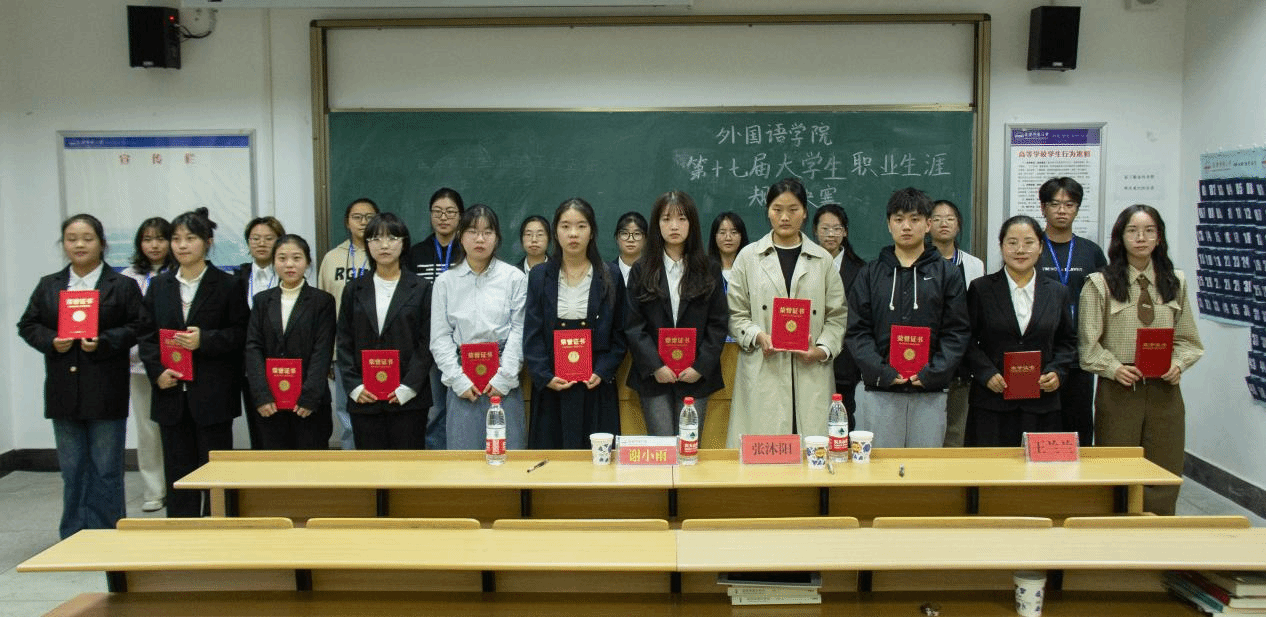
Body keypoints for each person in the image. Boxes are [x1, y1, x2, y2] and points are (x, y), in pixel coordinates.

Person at [18, 214, 147, 538]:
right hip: (64, 390)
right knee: (72, 469)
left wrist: (105, 341)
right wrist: (52, 340)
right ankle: (74, 534)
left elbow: (139, 326)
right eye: (72, 238)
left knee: (106, 469)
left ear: (101, 244)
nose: (79, 244)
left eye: (87, 238)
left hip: (105, 388)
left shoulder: (122, 285)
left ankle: (107, 534)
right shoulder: (50, 285)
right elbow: (28, 324)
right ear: (63, 244)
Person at [1079, 204, 1203, 515]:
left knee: (1165, 466)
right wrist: (1114, 368)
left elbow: (1188, 339)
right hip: (1120, 389)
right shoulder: (1099, 283)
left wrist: (1178, 363)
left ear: (1159, 237)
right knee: (1116, 467)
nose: (1141, 238)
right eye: (1133, 231)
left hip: (1165, 389)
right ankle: (1116, 529)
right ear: (1120, 237)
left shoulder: (1175, 281)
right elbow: (1088, 347)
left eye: (1149, 231)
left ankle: (1159, 529)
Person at [139, 208, 249, 517]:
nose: (182, 245)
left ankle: (219, 528)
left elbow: (242, 334)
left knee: (215, 472)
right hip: (171, 393)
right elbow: (146, 335)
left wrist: (206, 340)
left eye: (190, 238)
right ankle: (181, 530)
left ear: (207, 242)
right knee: (178, 471)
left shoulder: (228, 285)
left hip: (213, 394)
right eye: (176, 239)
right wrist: (157, 372)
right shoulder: (159, 285)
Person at [726, 178, 848, 446]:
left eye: (793, 210)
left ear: (804, 212)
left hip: (811, 372)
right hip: (764, 369)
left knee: (812, 453)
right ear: (768, 211)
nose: (785, 217)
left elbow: (837, 316)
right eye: (777, 209)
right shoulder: (748, 257)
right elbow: (735, 313)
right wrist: (758, 336)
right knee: (765, 452)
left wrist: (821, 350)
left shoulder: (822, 260)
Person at [846, 188, 970, 448]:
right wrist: (882, 371)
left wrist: (932, 373)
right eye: (899, 219)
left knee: (924, 468)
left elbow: (957, 332)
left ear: (928, 224)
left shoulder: (947, 274)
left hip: (929, 392)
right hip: (879, 390)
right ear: (888, 224)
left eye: (915, 219)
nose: (906, 226)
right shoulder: (869, 274)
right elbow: (857, 331)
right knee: (879, 467)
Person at [963, 216, 1076, 446]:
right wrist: (985, 373)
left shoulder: (1057, 292)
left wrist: (1057, 372)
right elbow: (966, 338)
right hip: (992, 401)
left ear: (1041, 247)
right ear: (1001, 246)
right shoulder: (981, 289)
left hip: (1042, 403)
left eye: (1029, 242)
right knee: (991, 467)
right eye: (1012, 242)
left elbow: (1067, 342)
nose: (1020, 250)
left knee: (1037, 468)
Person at [524, 198, 627, 448]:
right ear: (555, 232)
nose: (573, 234)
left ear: (592, 232)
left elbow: (620, 333)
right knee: (551, 459)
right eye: (565, 226)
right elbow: (532, 334)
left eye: (581, 226)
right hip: (552, 385)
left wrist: (602, 371)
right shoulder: (539, 276)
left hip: (595, 384)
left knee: (598, 460)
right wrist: (544, 376)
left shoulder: (610, 275)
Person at [624, 191, 728, 437]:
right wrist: (656, 366)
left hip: (695, 375)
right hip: (654, 376)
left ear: (692, 224)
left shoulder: (709, 268)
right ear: (656, 224)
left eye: (681, 219)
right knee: (662, 448)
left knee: (688, 446)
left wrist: (700, 367)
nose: (674, 226)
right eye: (666, 219)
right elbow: (633, 325)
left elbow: (718, 323)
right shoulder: (641, 269)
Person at [430, 205, 528, 450]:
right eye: (473, 231)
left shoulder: (514, 278)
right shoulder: (445, 282)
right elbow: (439, 337)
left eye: (488, 232)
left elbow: (519, 331)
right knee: (463, 460)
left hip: (503, 379)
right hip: (463, 380)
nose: (480, 239)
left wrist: (505, 377)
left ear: (497, 237)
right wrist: (458, 380)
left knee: (509, 454)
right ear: (460, 235)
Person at [336, 213, 434, 450]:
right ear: (367, 245)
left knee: (407, 465)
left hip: (408, 399)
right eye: (376, 239)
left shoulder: (421, 288)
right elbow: (344, 341)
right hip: (365, 398)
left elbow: (427, 342)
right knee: (371, 466)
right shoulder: (354, 289)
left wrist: (408, 387)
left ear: (404, 243)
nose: (384, 245)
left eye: (392, 238)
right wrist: (355, 386)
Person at [244, 234, 336, 450]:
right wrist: (262, 395)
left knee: (310, 463)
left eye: (296, 258)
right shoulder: (262, 301)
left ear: (307, 262)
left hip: (309, 404)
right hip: (271, 402)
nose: (289, 264)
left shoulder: (322, 301)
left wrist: (309, 397)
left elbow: (322, 351)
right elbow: (253, 348)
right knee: (275, 463)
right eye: (282, 258)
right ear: (274, 262)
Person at [1035, 177, 1107, 447]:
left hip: (1080, 353)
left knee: (1078, 425)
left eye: (1069, 204)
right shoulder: (1031, 249)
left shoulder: (1091, 252)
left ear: (1077, 208)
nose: (1062, 210)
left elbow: (1105, 301)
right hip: (1040, 351)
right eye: (1055, 204)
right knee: (1040, 427)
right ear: (1043, 208)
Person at [120, 217, 175, 512]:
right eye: (147, 239)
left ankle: (180, 486)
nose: (154, 245)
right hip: (140, 366)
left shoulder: (180, 272)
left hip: (177, 365)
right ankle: (154, 489)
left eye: (160, 238)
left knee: (176, 429)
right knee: (147, 429)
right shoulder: (128, 277)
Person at [318, 197, 379, 450]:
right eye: (357, 217)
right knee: (346, 411)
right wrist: (330, 355)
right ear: (346, 222)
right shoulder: (332, 258)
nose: (363, 222)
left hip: (380, 350)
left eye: (369, 217)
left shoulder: (385, 253)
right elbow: (323, 311)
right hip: (344, 350)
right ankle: (351, 461)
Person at [408, 187, 465, 451]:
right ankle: (436, 459)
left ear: (460, 216)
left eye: (450, 212)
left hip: (462, 341)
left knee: (460, 404)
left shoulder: (468, 252)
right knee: (434, 409)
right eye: (438, 212)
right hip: (425, 341)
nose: (443, 217)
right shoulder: (415, 254)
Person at [928, 199, 986, 447]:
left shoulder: (974, 265)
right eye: (937, 219)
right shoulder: (918, 262)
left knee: (956, 431)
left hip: (962, 358)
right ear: (927, 225)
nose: (944, 223)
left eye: (950, 219)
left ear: (959, 225)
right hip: (926, 355)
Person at [234, 216, 285, 449]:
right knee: (259, 430)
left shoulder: (289, 274)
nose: (261, 243)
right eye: (255, 238)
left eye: (268, 238)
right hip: (249, 366)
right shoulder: (237, 279)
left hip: (285, 364)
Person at [814, 203, 866, 427]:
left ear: (845, 232)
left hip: (845, 361)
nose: (831, 234)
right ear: (815, 231)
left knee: (842, 420)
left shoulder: (861, 269)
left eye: (836, 228)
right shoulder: (803, 265)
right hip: (808, 356)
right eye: (825, 228)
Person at [708, 211, 749, 291]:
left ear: (742, 236)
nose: (728, 238)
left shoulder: (750, 270)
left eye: (734, 232)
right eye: (722, 233)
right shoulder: (705, 271)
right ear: (714, 236)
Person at [611, 211, 647, 285]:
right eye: (625, 233)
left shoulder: (655, 273)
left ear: (646, 239)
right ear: (617, 238)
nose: (630, 239)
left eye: (637, 234)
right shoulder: (605, 274)